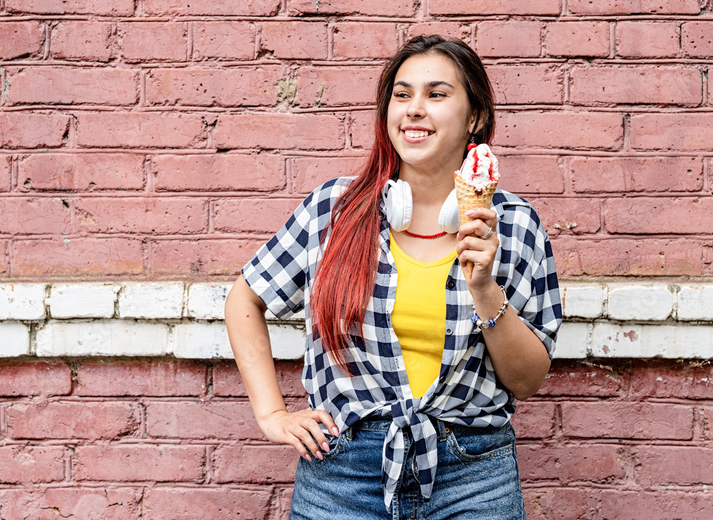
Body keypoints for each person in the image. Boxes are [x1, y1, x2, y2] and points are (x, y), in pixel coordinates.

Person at [224, 35, 562, 519]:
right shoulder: (335, 210)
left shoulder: (514, 225)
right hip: (342, 473)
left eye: (436, 94)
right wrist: (272, 414)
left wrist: (484, 288)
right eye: (401, 95)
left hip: (474, 476)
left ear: (475, 118)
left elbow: (527, 381)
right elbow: (244, 300)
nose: (414, 110)